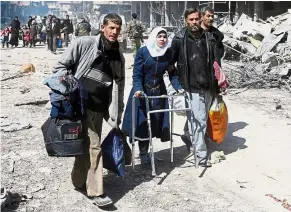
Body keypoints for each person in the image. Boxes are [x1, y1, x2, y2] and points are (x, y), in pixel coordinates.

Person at [51, 13, 125, 207]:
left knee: (87, 146)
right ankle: (96, 192)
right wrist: (68, 89)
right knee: (94, 147)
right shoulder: (84, 43)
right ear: (102, 27)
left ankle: (77, 181)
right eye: (111, 27)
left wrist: (117, 112)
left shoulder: (118, 54)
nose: (114, 32)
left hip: (100, 108)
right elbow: (60, 67)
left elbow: (119, 85)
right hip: (81, 105)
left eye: (117, 28)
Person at [122, 27, 182, 164]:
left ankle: (148, 151)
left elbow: (172, 73)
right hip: (142, 91)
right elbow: (137, 74)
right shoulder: (143, 52)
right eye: (159, 36)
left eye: (164, 37)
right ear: (154, 37)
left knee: (156, 121)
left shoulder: (168, 53)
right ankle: (143, 152)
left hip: (159, 91)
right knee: (142, 121)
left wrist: (178, 87)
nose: (162, 39)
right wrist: (138, 89)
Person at [170, 8, 218, 167]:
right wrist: (178, 85)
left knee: (202, 119)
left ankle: (189, 137)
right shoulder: (178, 38)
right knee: (199, 122)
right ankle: (201, 156)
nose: (195, 22)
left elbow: (215, 63)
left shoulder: (209, 38)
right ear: (186, 20)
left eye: (197, 19)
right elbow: (170, 65)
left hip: (208, 86)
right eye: (191, 19)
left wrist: (217, 85)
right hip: (190, 86)